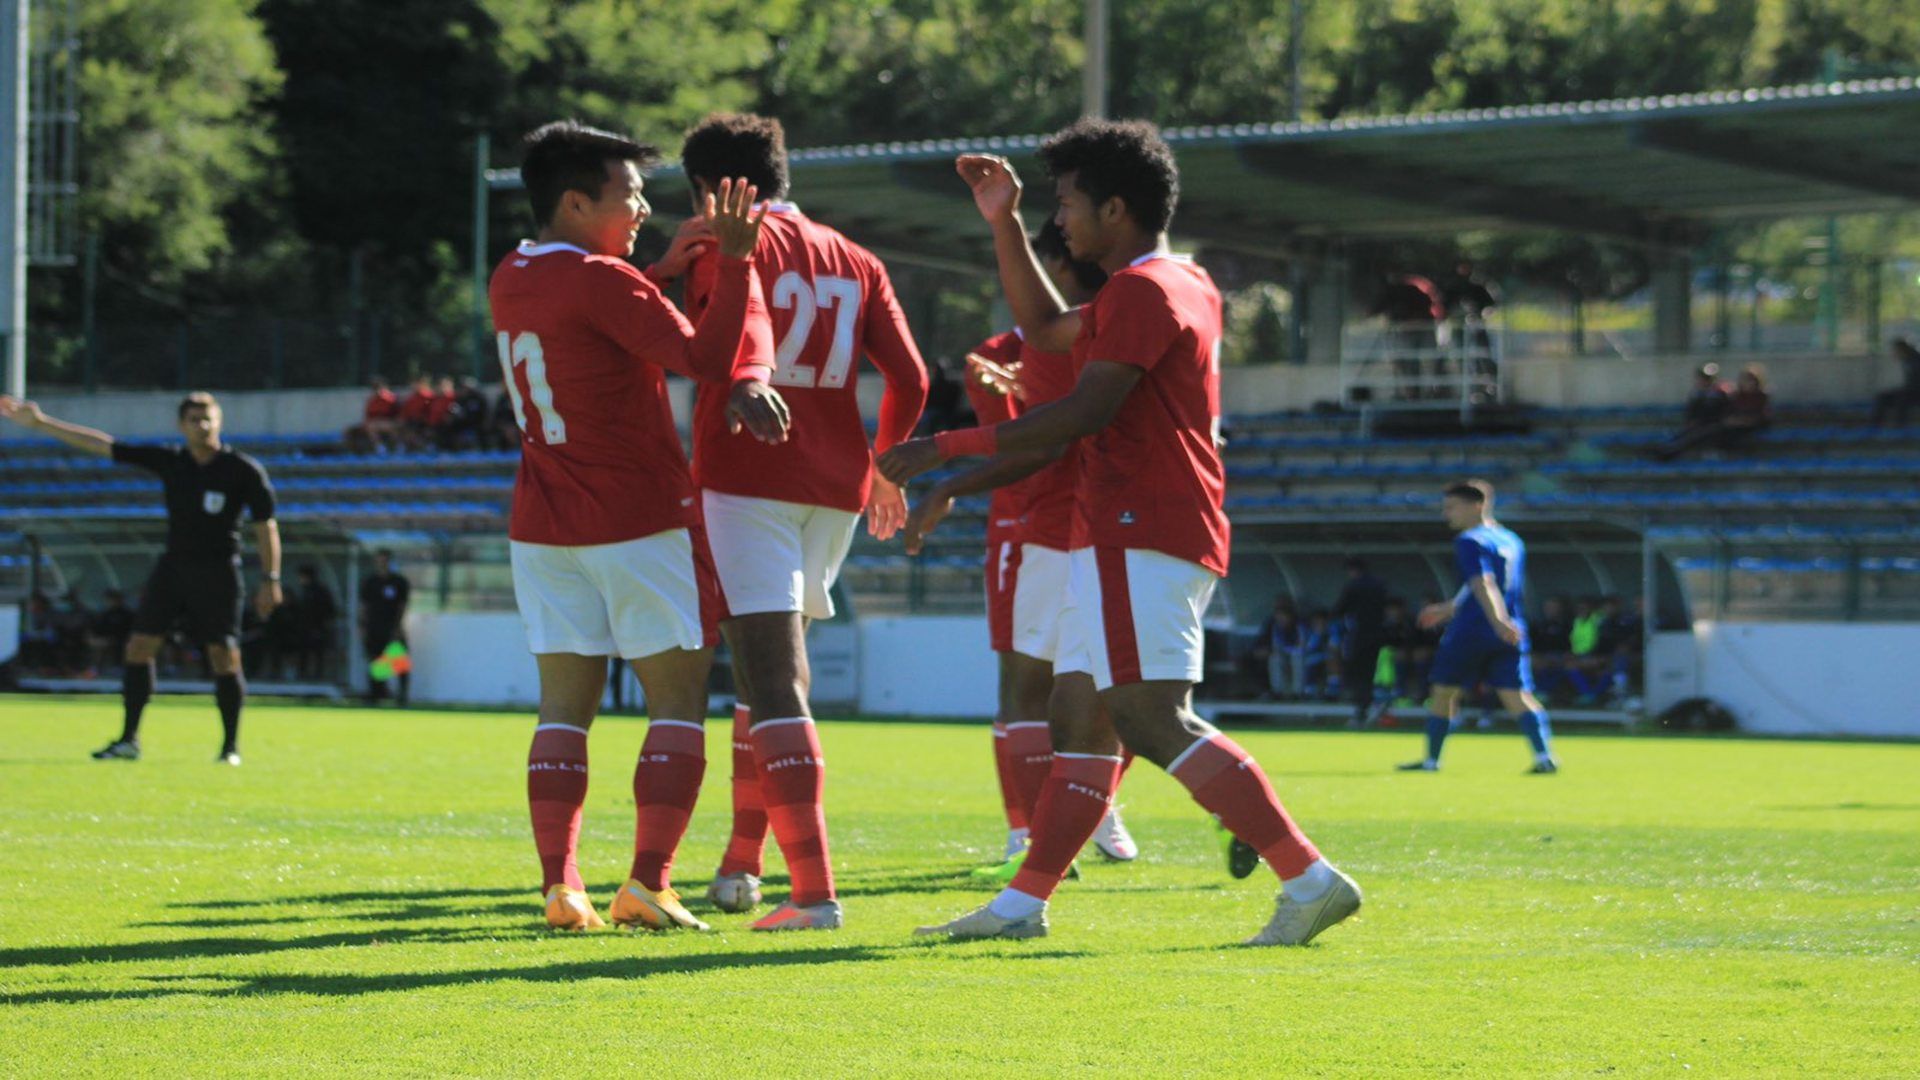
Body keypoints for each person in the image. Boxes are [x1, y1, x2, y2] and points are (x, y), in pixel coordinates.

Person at [883, 118, 1360, 946]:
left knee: (1148, 716)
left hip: (1141, 523)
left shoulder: (1143, 293)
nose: (1059, 219)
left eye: (1068, 204)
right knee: (1080, 718)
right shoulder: (1174, 282)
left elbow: (1084, 410)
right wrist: (1002, 221)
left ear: (1115, 208)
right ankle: (1020, 906)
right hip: (1132, 526)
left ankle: (1309, 877)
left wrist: (943, 448)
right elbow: (1044, 334)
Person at [490, 119, 785, 933]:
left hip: (544, 524)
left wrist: (654, 274)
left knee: (562, 711)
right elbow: (709, 361)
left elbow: (588, 322)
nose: (644, 209)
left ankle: (561, 887)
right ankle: (650, 882)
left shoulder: (512, 271)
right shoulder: (604, 281)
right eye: (628, 194)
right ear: (576, 203)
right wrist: (735, 260)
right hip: (636, 519)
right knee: (678, 705)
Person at [674, 112, 930, 931]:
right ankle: (742, 862)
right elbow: (913, 379)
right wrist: (885, 467)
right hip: (835, 488)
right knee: (769, 679)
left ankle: (813, 894)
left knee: (770, 677)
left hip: (749, 475)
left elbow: (730, 333)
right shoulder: (854, 257)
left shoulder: (725, 245)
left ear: (712, 189)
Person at [901, 220, 1134, 878]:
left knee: (1119, 691)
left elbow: (1066, 432)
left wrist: (947, 473)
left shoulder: (1113, 328)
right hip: (1031, 525)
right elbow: (1018, 447)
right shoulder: (997, 355)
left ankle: (1085, 810)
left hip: (1099, 527)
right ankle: (1027, 831)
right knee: (1035, 685)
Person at [0, 391, 282, 764]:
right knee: (138, 647)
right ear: (181, 425)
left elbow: (266, 526)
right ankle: (128, 740)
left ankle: (229, 748)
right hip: (173, 568)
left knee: (223, 655)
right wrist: (41, 423)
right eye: (195, 419)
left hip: (218, 572)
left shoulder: (242, 470)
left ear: (220, 422)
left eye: (209, 419)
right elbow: (104, 445)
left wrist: (271, 578)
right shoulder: (171, 461)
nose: (203, 426)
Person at [1399, 480, 1558, 774]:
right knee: (1516, 694)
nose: (1446, 514)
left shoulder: (1470, 540)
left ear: (1477, 505)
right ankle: (1544, 757)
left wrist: (1496, 620)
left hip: (1473, 630)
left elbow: (1483, 582)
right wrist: (1452, 608)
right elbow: (1486, 586)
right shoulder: (1511, 539)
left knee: (1444, 692)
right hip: (1512, 628)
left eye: (1452, 507)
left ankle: (1432, 761)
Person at [1330, 557, 1389, 727]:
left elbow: (1339, 609)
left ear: (1353, 570)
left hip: (1359, 635)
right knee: (1370, 672)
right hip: (1378, 635)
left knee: (1357, 673)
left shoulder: (1353, 586)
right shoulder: (1380, 585)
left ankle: (1362, 709)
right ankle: (1372, 704)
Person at [358, 550, 412, 705]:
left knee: (399, 660)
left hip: (392, 627)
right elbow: (364, 606)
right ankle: (376, 694)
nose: (382, 564)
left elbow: (402, 605)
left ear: (390, 562)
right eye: (379, 561)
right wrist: (362, 626)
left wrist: (398, 626)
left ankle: (402, 696)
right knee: (376, 661)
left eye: (385, 561)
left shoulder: (399, 582)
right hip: (374, 627)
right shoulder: (370, 582)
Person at [1252, 598, 1304, 699]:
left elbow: (1302, 644)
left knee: (1297, 658)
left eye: (1284, 616)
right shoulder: (1273, 625)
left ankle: (1298, 692)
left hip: (1299, 653)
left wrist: (1290, 649)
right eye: (1278, 616)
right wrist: (1262, 649)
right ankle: (1277, 691)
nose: (1281, 619)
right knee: (1275, 658)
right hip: (1282, 652)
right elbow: (1266, 642)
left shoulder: (1300, 624)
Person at [294, 564, 338, 680]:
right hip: (306, 628)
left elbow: (329, 610)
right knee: (305, 653)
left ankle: (315, 676)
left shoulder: (319, 591)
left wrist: (321, 625)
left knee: (317, 653)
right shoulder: (305, 590)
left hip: (317, 628)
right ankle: (304, 674)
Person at [1870, 337, 1920, 427]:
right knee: (1883, 397)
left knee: (1901, 399)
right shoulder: (1908, 361)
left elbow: (1915, 385)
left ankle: (1900, 425)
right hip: (1911, 391)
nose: (1893, 353)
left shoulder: (1915, 361)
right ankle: (1875, 425)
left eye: (1895, 351)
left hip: (1915, 392)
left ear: (1901, 350)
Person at [87, 589, 136, 676]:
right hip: (107, 639)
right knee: (99, 645)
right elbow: (97, 629)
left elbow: (132, 629)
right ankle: (96, 668)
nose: (111, 602)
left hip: (123, 639)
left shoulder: (128, 614)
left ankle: (118, 667)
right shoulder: (105, 614)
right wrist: (94, 638)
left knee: (120, 645)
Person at [346, 377, 401, 453]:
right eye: (374, 388)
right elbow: (368, 415)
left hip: (389, 422)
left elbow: (398, 414)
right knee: (349, 430)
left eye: (378, 387)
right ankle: (355, 451)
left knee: (373, 426)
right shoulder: (372, 400)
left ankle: (383, 447)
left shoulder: (391, 399)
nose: (376, 390)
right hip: (374, 423)